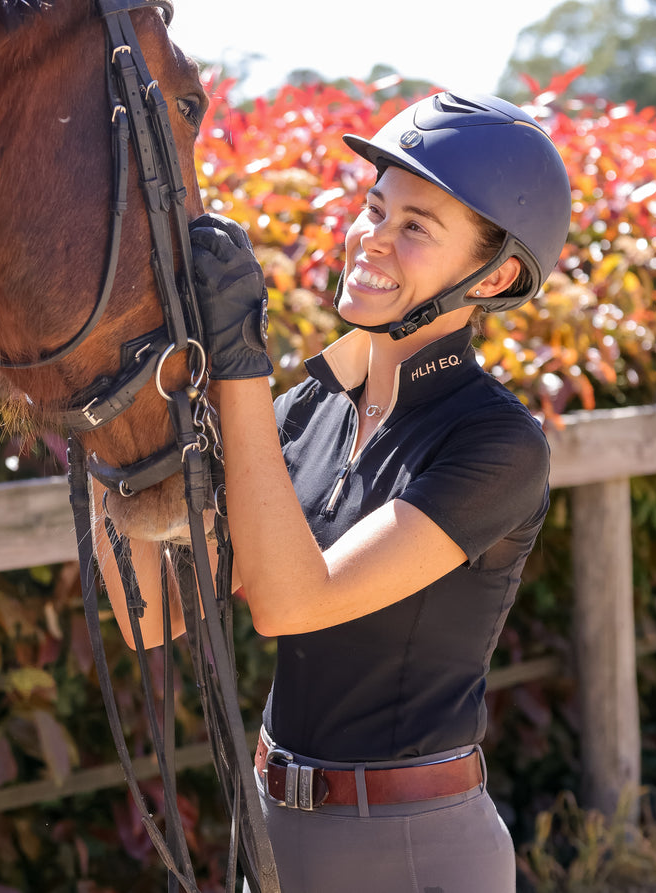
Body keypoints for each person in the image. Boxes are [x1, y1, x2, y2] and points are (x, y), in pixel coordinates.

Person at [103, 91, 572, 892]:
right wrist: (108, 412)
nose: (372, 239)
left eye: (415, 227)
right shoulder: (307, 411)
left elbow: (291, 602)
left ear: (493, 276)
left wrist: (241, 367)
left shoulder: (498, 445)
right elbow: (159, 612)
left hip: (413, 848)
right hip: (271, 825)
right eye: (374, 207)